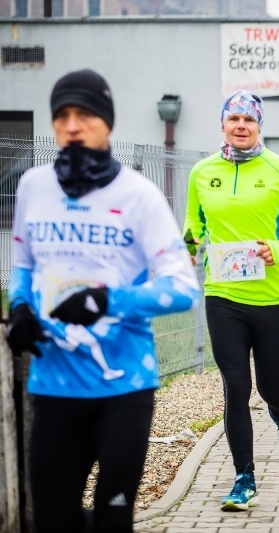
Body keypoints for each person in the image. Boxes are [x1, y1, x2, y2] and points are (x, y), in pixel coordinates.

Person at [4, 69, 201, 533]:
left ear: (106, 123)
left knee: (114, 520)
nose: (73, 125)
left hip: (123, 388)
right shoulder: (33, 186)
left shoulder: (139, 195)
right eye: (62, 115)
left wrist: (107, 301)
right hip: (53, 387)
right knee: (54, 521)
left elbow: (183, 288)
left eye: (85, 114)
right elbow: (24, 266)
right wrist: (19, 308)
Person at [183, 90, 279, 510]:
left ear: (259, 126)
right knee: (236, 386)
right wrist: (190, 239)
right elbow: (195, 219)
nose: (241, 125)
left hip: (274, 297)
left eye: (249, 119)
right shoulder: (202, 172)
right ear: (222, 124)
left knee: (271, 388)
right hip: (223, 295)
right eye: (234, 118)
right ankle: (244, 478)